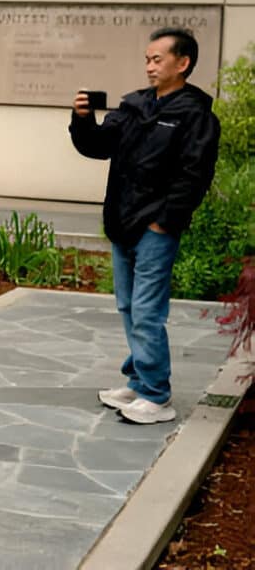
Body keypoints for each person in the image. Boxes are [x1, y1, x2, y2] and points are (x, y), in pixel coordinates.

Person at [70, 27, 220, 425]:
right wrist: (83, 120)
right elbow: (98, 146)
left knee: (147, 310)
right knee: (128, 306)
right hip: (123, 222)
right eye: (147, 59)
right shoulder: (135, 105)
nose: (149, 66)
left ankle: (157, 396)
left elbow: (194, 176)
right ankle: (138, 380)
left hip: (155, 228)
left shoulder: (195, 115)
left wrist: (163, 223)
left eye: (157, 59)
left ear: (182, 63)